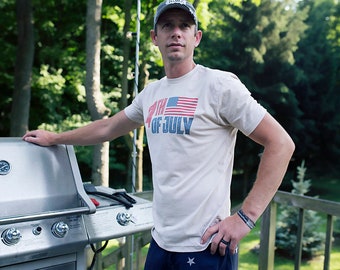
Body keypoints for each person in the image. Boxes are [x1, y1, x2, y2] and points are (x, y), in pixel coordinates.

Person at [23, 1, 295, 269]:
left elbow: (281, 144)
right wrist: (55, 138)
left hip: (206, 246)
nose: (176, 32)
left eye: (184, 26)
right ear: (155, 37)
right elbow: (107, 128)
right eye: (167, 25)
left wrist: (245, 218)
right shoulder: (151, 94)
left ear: (196, 37)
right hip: (161, 243)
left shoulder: (219, 85)